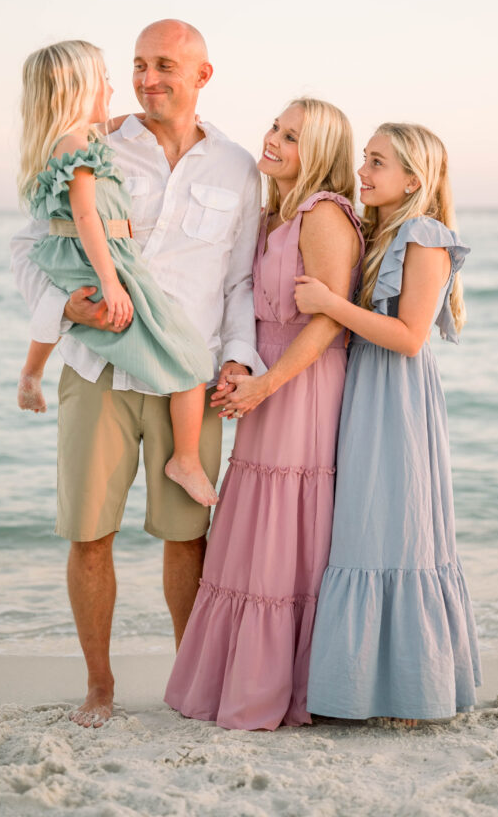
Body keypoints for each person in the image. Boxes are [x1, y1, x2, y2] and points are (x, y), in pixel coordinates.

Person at [11, 20, 262, 727]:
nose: (148, 80)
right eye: (137, 66)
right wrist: (65, 305)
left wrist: (239, 357)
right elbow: (31, 249)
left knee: (188, 536)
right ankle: (100, 687)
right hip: (99, 366)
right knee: (88, 535)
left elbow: (239, 281)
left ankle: (189, 682)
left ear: (202, 75)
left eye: (164, 67)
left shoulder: (238, 167)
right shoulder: (94, 140)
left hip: (191, 378)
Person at [164, 98, 364, 730]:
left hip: (303, 385)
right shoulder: (273, 212)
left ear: (321, 154)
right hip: (267, 382)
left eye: (292, 137)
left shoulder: (323, 216)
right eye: (276, 127)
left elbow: (330, 320)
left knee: (288, 529)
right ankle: (244, 682)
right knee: (255, 531)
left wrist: (269, 382)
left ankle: (285, 689)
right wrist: (239, 367)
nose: (272, 140)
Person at [295, 122, 481, 724]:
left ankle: (411, 692)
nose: (363, 171)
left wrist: (330, 305)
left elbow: (408, 337)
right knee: (363, 527)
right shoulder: (379, 231)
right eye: (365, 159)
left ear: (412, 181)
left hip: (397, 396)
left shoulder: (423, 236)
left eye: (378, 163)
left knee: (397, 529)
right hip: (367, 390)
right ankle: (361, 688)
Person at [16, 39, 217, 509]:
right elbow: (87, 218)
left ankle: (31, 372)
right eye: (104, 77)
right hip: (103, 256)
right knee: (191, 360)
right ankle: (184, 459)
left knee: (76, 312)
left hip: (89, 254)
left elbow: (109, 129)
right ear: (77, 88)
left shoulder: (80, 138)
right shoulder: (75, 143)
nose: (114, 85)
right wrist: (111, 279)